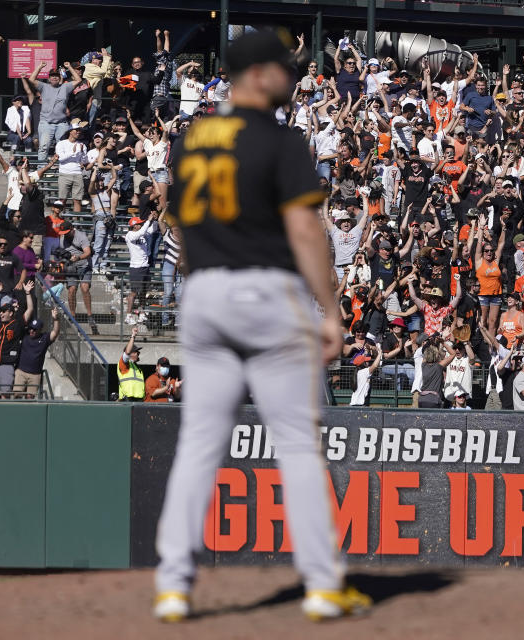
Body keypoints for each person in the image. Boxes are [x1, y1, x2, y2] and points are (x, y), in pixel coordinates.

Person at [154, 30, 370, 624]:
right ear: (253, 73)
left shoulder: (192, 138)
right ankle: (323, 585)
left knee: (199, 442)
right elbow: (305, 230)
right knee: (297, 442)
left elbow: (181, 215)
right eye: (283, 68)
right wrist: (331, 309)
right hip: (266, 292)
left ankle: (173, 585)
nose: (292, 76)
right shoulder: (281, 138)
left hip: (202, 292)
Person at [0, 281, 35, 398]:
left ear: (11, 313)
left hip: (7, 364)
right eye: (0, 311)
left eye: (4, 311)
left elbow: (30, 309)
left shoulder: (18, 323)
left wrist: (27, 293)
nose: (1, 313)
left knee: (5, 394)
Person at [15, 308, 60, 399]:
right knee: (17, 395)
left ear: (40, 330)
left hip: (35, 374)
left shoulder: (44, 338)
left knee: (30, 397)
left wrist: (56, 319)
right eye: (31, 328)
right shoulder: (25, 335)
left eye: (35, 329)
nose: (31, 331)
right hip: (21, 371)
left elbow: (55, 332)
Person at [117, 326, 145, 401]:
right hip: (127, 400)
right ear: (130, 354)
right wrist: (133, 336)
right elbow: (127, 352)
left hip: (139, 401)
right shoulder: (124, 364)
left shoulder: (137, 367)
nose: (138, 353)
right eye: (136, 352)